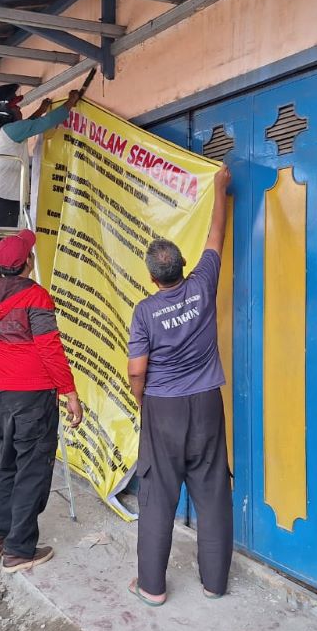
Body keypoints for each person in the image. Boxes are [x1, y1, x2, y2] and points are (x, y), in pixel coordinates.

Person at [126, 165, 233, 606]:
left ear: (153, 277)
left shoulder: (146, 311)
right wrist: (220, 190)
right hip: (206, 403)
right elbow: (215, 236)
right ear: (183, 267)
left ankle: (151, 588)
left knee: (156, 495)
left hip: (163, 409)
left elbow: (137, 369)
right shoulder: (203, 284)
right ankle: (215, 584)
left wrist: (141, 400)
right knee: (212, 493)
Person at [0, 228, 83, 573]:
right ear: (27, 264)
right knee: (32, 471)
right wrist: (69, 393)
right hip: (31, 395)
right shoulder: (36, 297)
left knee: (7, 464)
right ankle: (20, 550)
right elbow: (50, 349)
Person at [0, 84, 84, 232]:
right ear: (4, 113)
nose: (19, 109)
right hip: (7, 201)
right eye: (15, 107)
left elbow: (28, 124)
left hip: (4, 200)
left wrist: (41, 110)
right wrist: (70, 102)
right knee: (8, 249)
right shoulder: (12, 130)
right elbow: (44, 123)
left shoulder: (4, 132)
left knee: (9, 247)